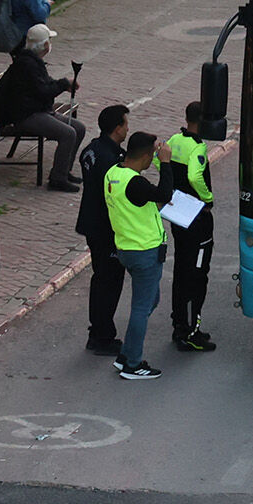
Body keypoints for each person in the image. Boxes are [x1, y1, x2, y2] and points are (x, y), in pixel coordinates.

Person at [106, 131, 178, 380]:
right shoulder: (135, 183)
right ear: (147, 156)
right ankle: (132, 365)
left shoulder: (113, 173)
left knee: (151, 301)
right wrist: (166, 163)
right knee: (141, 308)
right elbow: (165, 195)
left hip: (127, 248)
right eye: (152, 157)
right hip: (144, 251)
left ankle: (126, 354)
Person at [0, 23, 85, 192]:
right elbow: (43, 91)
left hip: (37, 110)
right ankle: (58, 178)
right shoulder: (27, 65)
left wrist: (62, 83)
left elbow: (44, 85)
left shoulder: (31, 62)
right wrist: (64, 84)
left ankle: (63, 170)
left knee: (78, 128)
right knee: (68, 133)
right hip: (26, 115)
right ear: (45, 45)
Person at [77, 104, 131, 356]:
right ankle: (102, 335)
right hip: (107, 227)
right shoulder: (113, 161)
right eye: (125, 124)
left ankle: (97, 331)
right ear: (117, 128)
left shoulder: (91, 150)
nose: (127, 129)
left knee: (100, 278)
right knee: (109, 282)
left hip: (91, 223)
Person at [166, 101, 218, 352]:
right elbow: (195, 176)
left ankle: (180, 324)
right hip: (197, 218)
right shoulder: (197, 146)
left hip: (179, 214)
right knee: (197, 275)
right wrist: (207, 199)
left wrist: (173, 189)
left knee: (181, 269)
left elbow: (159, 161)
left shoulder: (175, 139)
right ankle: (190, 331)